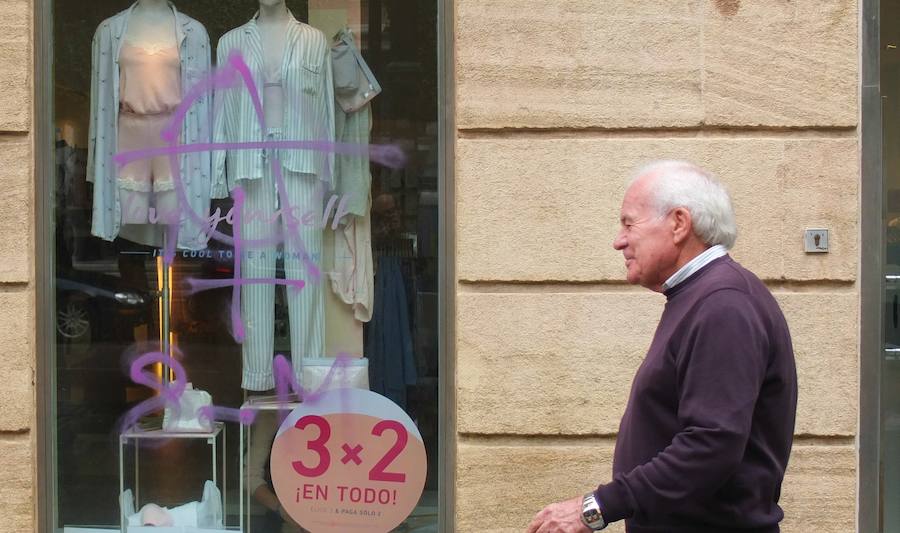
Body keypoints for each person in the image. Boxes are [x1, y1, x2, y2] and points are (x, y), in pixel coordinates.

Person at [526, 161, 798, 533]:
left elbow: (710, 446)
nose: (619, 240)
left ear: (679, 224)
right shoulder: (702, 295)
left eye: (628, 223)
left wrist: (597, 508)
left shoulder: (723, 304)